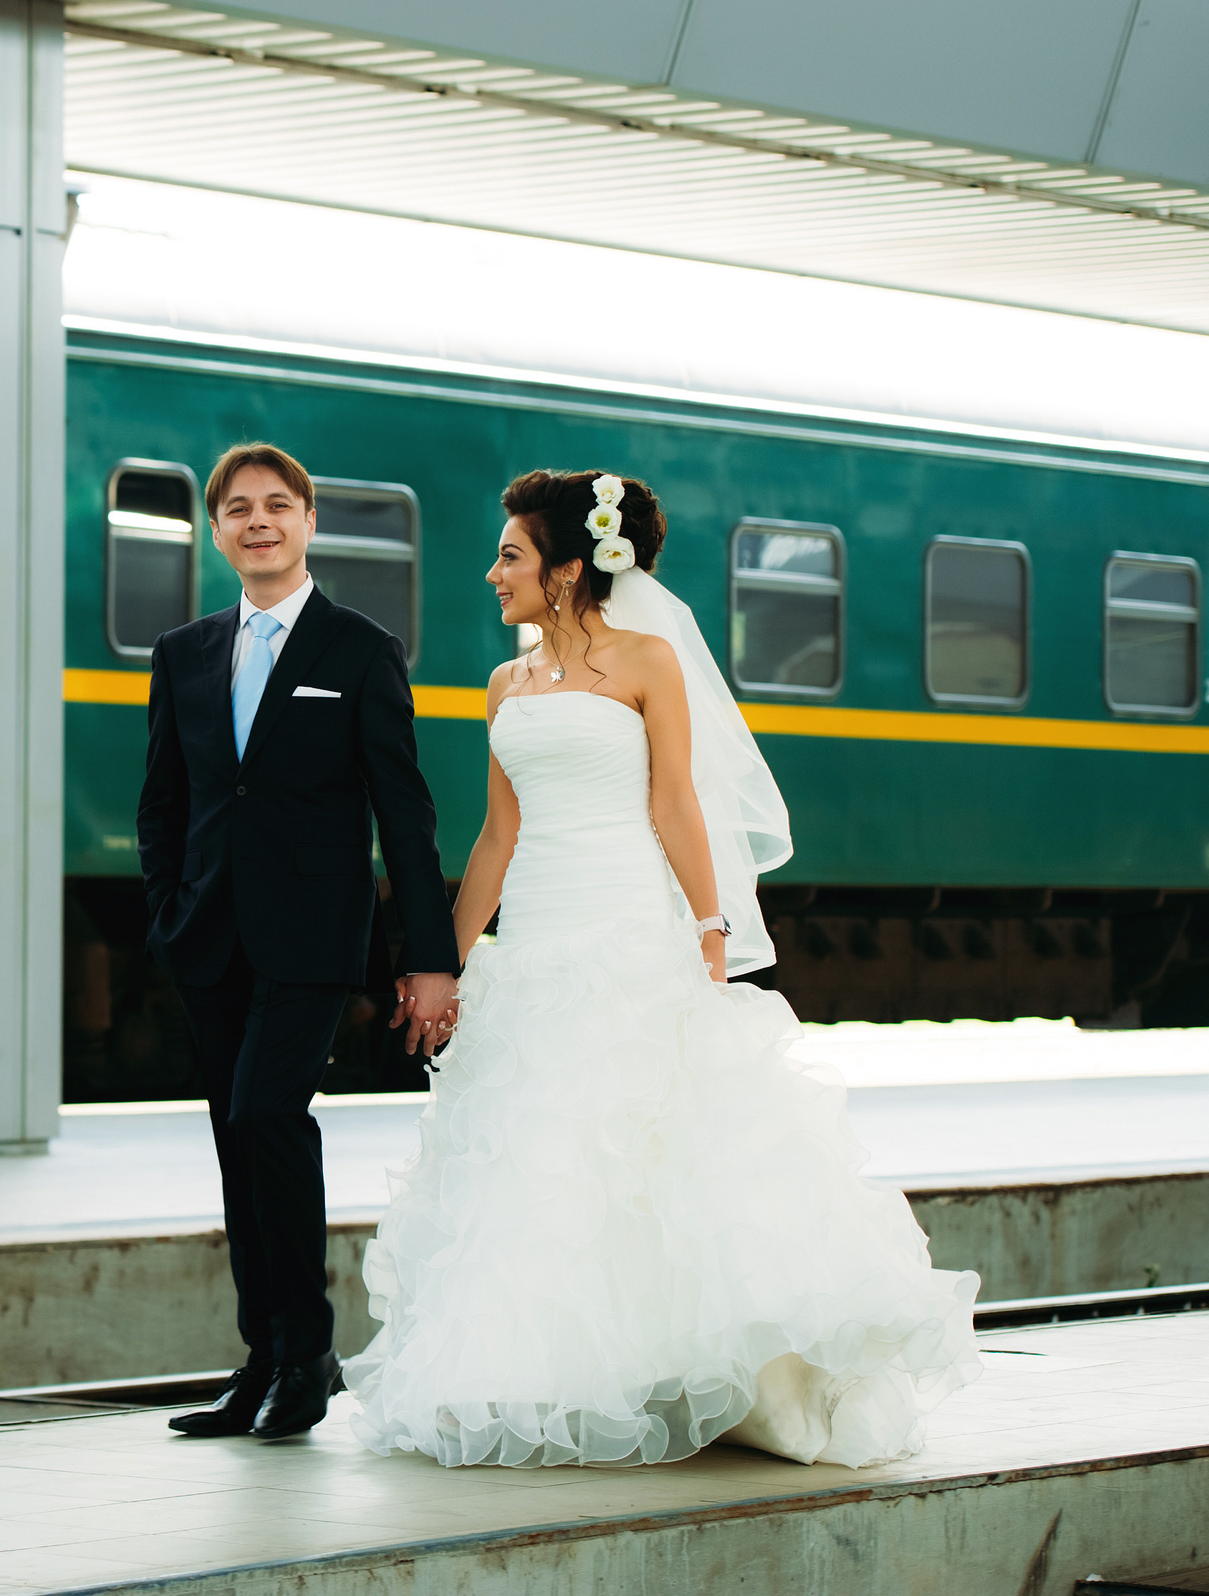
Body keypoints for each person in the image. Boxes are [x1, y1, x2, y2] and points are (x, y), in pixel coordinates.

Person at [341, 468, 980, 1469]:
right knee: (537, 1153)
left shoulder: (647, 661)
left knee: (636, 1147)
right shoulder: (505, 683)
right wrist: (444, 959)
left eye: (509, 555)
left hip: (629, 926)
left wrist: (711, 929)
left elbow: (676, 803)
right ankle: (542, 1375)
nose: (490, 572)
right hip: (540, 938)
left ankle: (683, 1374)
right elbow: (498, 834)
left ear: (564, 568)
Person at [138, 442, 460, 1442]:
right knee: (236, 1139)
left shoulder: (359, 650)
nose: (258, 521)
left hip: (314, 932)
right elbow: (165, 800)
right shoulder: (182, 653)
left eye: (277, 505)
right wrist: (168, 905)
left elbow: (404, 815)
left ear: (308, 521)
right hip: (209, 932)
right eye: (237, 508)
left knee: (268, 1113)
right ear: (217, 528)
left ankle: (309, 1351)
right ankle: (263, 1356)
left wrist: (430, 954)